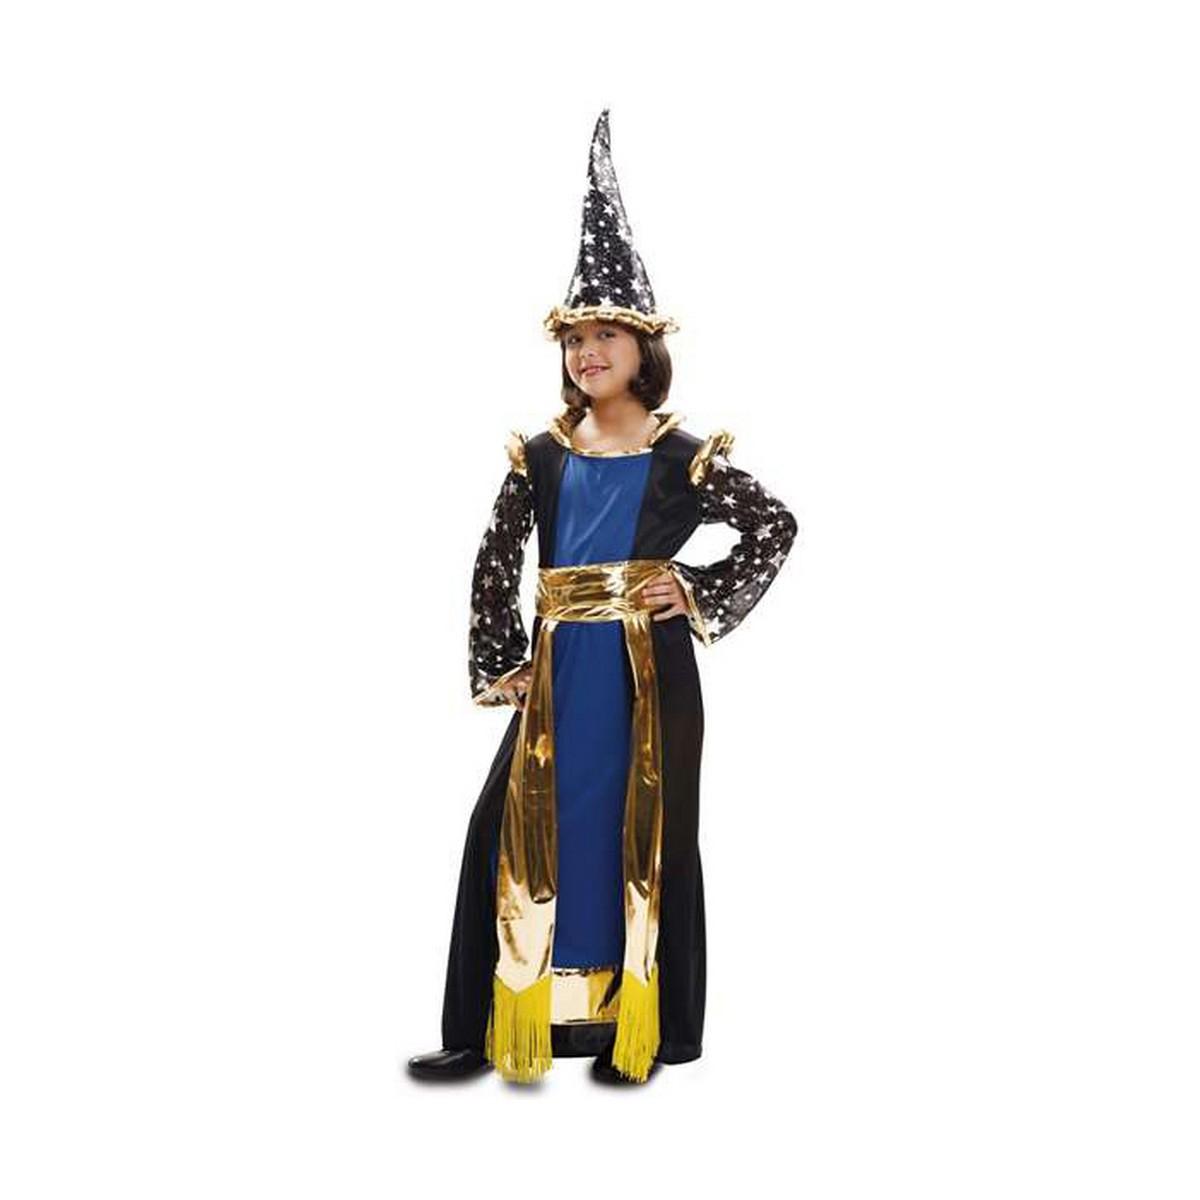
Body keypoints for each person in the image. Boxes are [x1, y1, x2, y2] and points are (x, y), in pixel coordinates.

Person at [407, 109, 798, 1085]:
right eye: (576, 338)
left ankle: (642, 1031)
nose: (588, 352)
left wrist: (695, 589)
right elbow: (496, 556)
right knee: (507, 829)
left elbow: (774, 525)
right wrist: (503, 659)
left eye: (606, 335)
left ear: (642, 346)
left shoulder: (680, 455)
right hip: (558, 672)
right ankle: (492, 1026)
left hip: (643, 674)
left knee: (642, 836)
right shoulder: (543, 455)